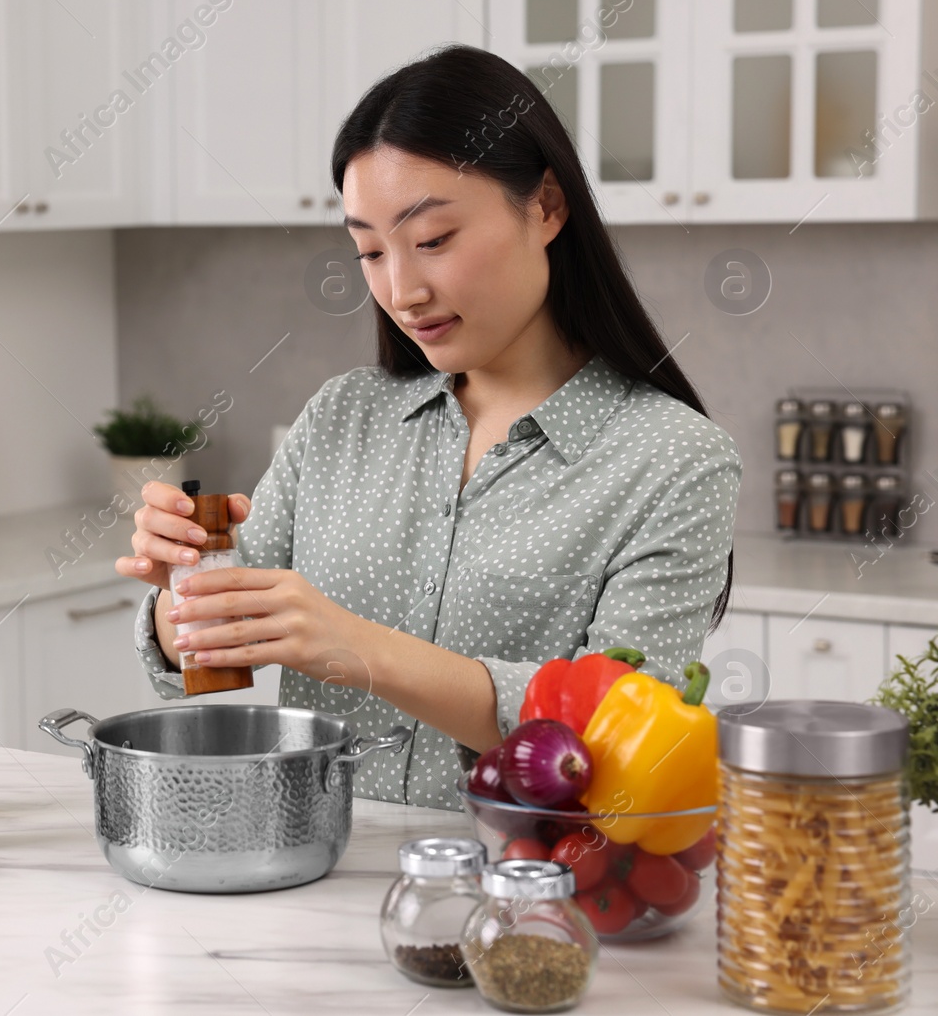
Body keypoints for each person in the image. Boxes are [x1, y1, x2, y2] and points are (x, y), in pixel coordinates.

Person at [118, 45, 741, 810]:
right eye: (370, 251)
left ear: (546, 206)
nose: (402, 290)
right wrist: (182, 591)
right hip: (310, 877)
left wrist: (358, 647)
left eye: (434, 240)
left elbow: (624, 737)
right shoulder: (340, 418)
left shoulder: (676, 462)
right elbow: (204, 648)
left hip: (530, 898)